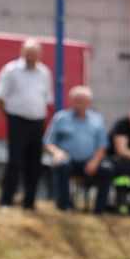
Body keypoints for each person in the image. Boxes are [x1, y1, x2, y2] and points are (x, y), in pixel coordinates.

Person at [0, 39, 53, 212]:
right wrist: (9, 116)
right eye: (29, 53)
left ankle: (29, 202)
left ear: (40, 54)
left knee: (34, 163)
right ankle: (6, 201)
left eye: (35, 54)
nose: (32, 57)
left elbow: (47, 99)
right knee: (14, 162)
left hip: (37, 121)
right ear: (22, 52)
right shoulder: (10, 70)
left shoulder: (45, 73)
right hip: (17, 120)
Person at [42, 85, 109, 213]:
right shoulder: (60, 118)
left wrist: (94, 162)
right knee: (61, 165)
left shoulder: (97, 120)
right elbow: (47, 143)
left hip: (90, 162)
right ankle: (65, 206)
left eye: (83, 101)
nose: (79, 105)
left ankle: (100, 209)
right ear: (71, 101)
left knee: (107, 169)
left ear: (89, 102)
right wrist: (57, 152)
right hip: (68, 160)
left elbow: (102, 146)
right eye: (76, 101)